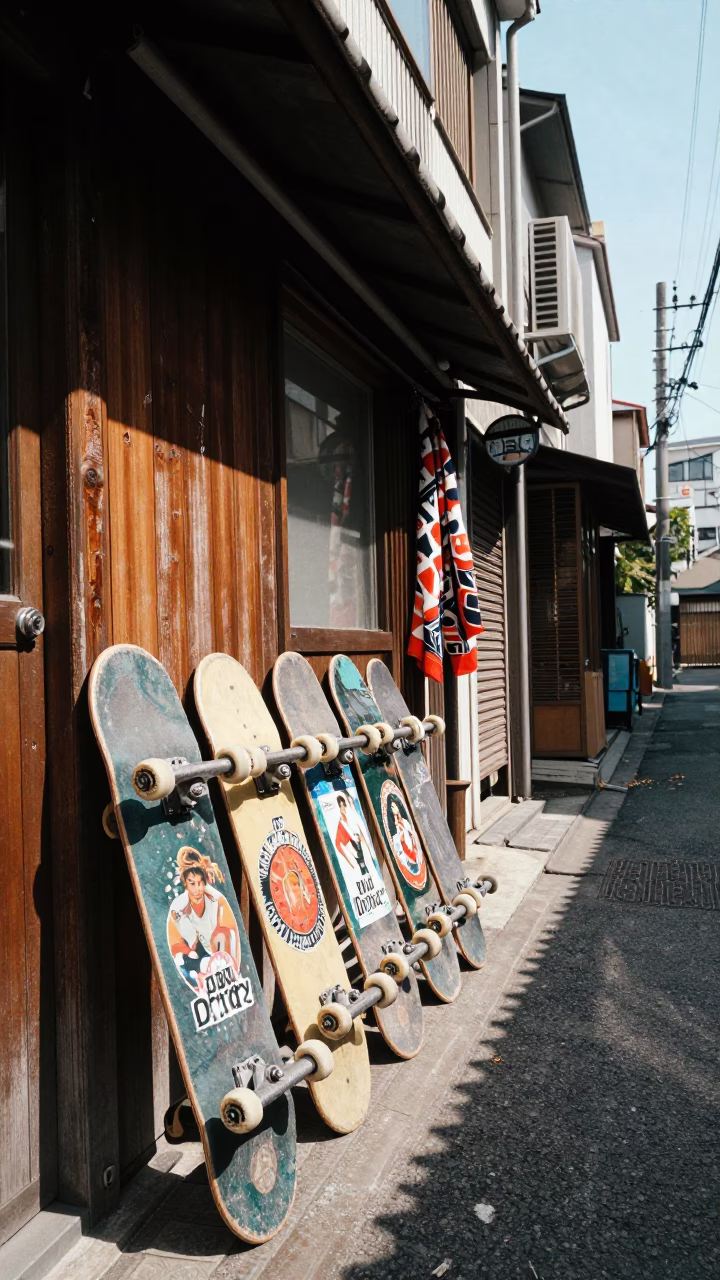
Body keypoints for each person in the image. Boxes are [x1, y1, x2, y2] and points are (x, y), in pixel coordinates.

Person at [167, 846, 240, 989]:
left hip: (220, 956)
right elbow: (176, 946)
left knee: (224, 936)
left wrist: (229, 965)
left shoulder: (217, 901)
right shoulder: (178, 908)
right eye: (192, 883)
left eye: (200, 883)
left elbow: (231, 934)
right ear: (185, 883)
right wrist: (189, 951)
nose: (197, 888)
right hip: (197, 957)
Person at [334, 792, 371, 878]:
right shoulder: (341, 818)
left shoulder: (348, 814)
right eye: (340, 806)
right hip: (349, 840)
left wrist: (357, 835)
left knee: (361, 855)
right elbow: (345, 831)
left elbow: (354, 825)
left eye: (343, 805)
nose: (342, 807)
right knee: (358, 856)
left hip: (355, 837)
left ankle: (365, 871)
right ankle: (363, 872)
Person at [388, 797, 424, 880]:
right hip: (405, 856)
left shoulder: (404, 822)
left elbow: (412, 836)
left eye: (395, 806)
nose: (394, 809)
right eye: (392, 807)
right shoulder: (394, 827)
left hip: (412, 851)